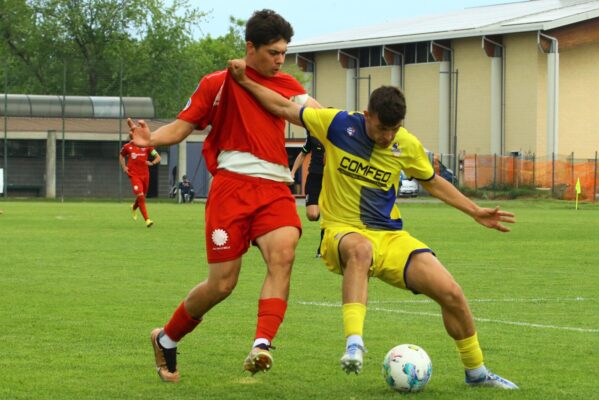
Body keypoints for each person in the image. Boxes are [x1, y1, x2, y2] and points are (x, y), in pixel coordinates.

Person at [228, 59, 519, 389]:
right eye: (382, 129)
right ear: (367, 116)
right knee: (361, 249)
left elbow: (432, 181)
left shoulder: (405, 144)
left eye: (394, 129)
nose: (388, 136)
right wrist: (246, 83)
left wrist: (474, 211)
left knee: (451, 292)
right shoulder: (337, 124)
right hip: (341, 230)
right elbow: (283, 106)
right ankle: (354, 343)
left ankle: (476, 372)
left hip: (390, 236)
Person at [128, 10, 320, 382]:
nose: (280, 60)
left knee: (283, 255)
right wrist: (150, 138)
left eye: (284, 53)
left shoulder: (286, 84)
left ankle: (262, 345)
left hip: (275, 188)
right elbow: (183, 126)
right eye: (273, 52)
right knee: (222, 284)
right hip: (231, 189)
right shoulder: (216, 84)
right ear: (251, 47)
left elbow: (320, 114)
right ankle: (166, 338)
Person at [290, 132, 325, 257]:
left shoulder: (337, 133)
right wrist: (293, 172)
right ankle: (322, 208)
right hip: (314, 177)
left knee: (328, 216)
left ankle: (322, 250)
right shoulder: (313, 134)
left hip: (331, 178)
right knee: (313, 215)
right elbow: (303, 154)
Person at [119, 140, 161, 228]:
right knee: (141, 195)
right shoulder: (128, 146)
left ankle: (134, 207)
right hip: (133, 174)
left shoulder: (147, 146)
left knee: (142, 196)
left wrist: (152, 162)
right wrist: (124, 167)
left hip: (145, 175)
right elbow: (121, 155)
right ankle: (147, 220)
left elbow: (158, 157)